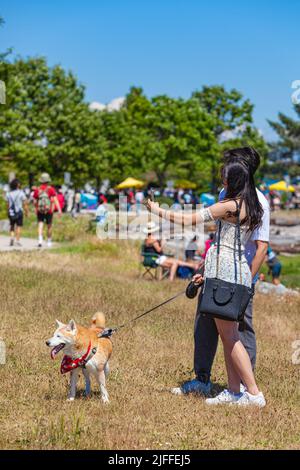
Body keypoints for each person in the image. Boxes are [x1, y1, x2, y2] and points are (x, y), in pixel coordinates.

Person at [147, 148, 269, 407]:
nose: (221, 180)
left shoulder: (230, 205)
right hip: (229, 268)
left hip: (225, 271)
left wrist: (157, 210)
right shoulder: (250, 203)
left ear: (234, 180)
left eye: (225, 177)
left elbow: (189, 219)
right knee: (228, 336)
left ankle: (254, 394)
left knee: (232, 337)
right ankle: (234, 392)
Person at [33, 173, 62, 248]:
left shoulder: (37, 189)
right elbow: (55, 200)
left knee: (40, 224)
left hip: (40, 210)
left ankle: (40, 240)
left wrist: (36, 208)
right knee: (49, 225)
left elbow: (35, 201)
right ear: (48, 180)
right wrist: (59, 210)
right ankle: (49, 241)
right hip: (49, 210)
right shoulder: (51, 189)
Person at [6, 178, 28, 247]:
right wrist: (26, 212)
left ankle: (12, 237)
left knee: (12, 226)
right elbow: (25, 204)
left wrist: (8, 211)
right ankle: (17, 241)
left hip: (11, 212)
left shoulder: (8, 194)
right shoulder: (21, 193)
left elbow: (8, 204)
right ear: (18, 185)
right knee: (19, 226)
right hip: (19, 212)